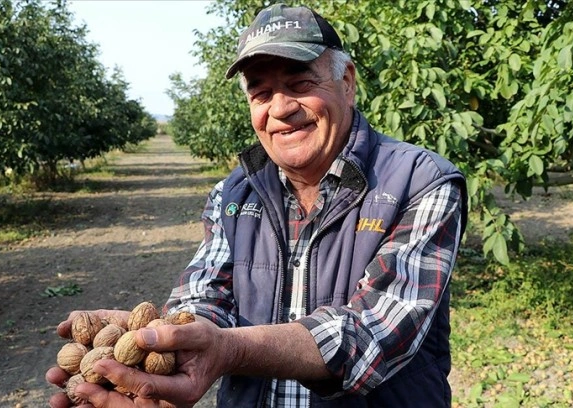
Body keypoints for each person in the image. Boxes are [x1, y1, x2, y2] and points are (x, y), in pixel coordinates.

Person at [46, 3, 467, 407]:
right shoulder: (231, 194)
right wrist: (172, 345)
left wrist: (228, 350)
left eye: (301, 84)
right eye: (261, 93)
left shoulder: (422, 183)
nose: (280, 109)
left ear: (348, 82)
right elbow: (208, 296)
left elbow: (373, 335)